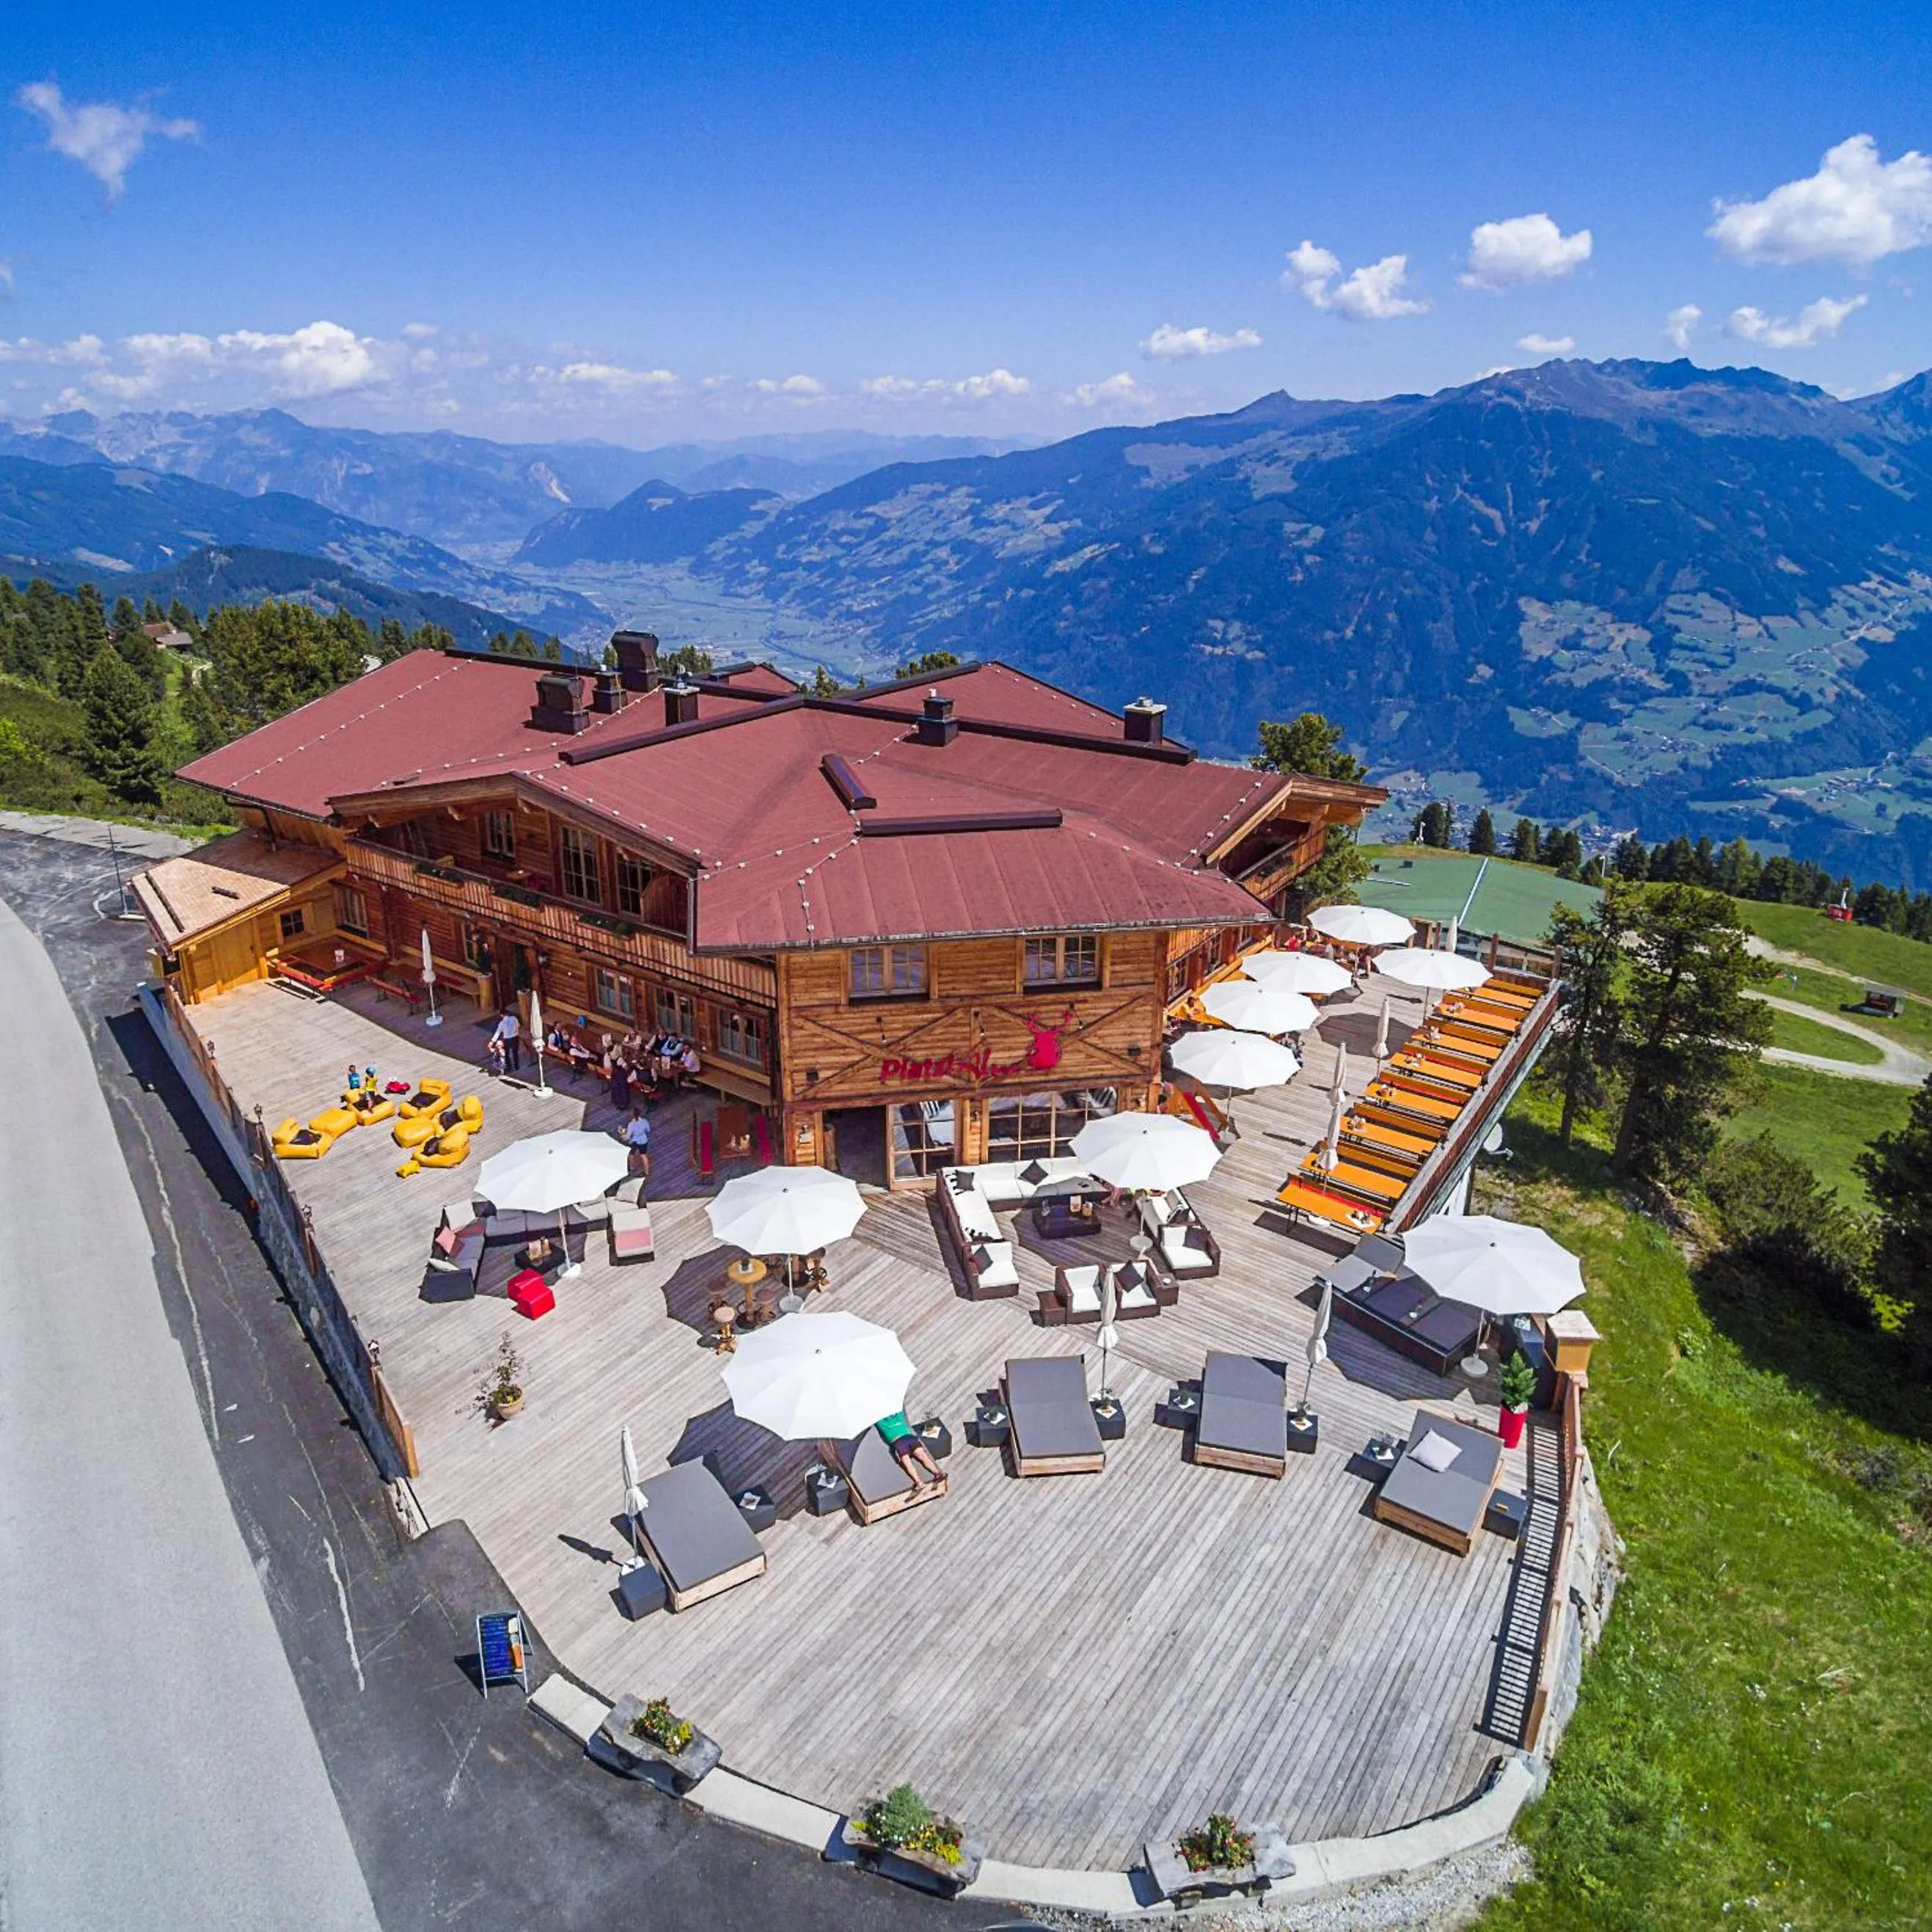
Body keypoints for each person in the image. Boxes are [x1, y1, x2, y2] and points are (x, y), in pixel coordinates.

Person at [875, 1410, 943, 1488]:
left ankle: (919, 1482)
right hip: (910, 1438)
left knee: (907, 1463)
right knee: (923, 1457)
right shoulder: (898, 1416)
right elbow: (899, 1409)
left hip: (899, 1443)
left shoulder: (881, 1423)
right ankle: (938, 1474)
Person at [490, 1006, 522, 1073]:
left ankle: (509, 1067)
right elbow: (518, 1026)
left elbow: (498, 1033)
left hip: (507, 1039)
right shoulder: (514, 1018)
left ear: (502, 1015)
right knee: (515, 1053)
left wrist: (492, 1042)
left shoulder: (502, 1023)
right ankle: (516, 1066)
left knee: (506, 1054)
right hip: (515, 1038)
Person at [623, 1104, 651, 1180]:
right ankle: (647, 1172)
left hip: (634, 1141)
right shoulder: (645, 1121)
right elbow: (648, 1130)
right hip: (643, 1140)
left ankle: (632, 1167)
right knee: (644, 1156)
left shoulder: (631, 1124)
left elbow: (628, 1136)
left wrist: (623, 1136)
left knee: (631, 1154)